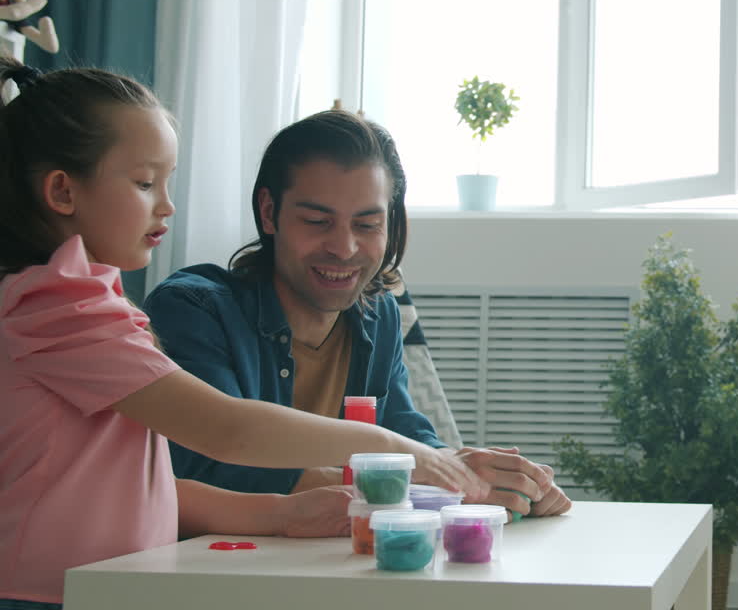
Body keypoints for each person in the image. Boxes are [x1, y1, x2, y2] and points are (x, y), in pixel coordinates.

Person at [0, 59, 488, 609]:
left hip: (107, 585)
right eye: (144, 183)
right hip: (41, 594)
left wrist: (282, 513)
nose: (167, 204)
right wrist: (383, 446)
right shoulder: (56, 305)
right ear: (63, 192)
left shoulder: (91, 298)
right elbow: (224, 430)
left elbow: (146, 486)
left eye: (167, 182)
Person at [143, 110, 571, 519]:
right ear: (269, 212)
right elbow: (203, 469)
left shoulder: (377, 312)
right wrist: (412, 477)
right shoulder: (193, 310)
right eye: (316, 221)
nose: (344, 249)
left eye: (367, 225)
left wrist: (480, 474)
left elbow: (407, 434)